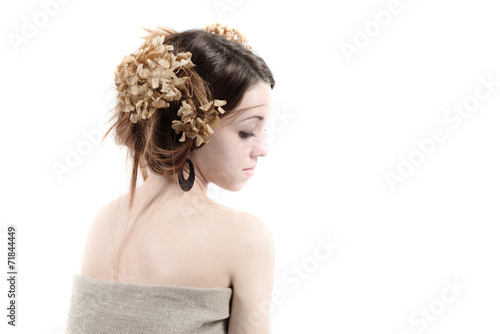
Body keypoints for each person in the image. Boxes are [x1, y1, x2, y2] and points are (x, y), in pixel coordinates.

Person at [64, 23, 276, 334]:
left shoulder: (104, 222)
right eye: (246, 132)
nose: (262, 149)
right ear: (193, 126)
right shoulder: (245, 238)